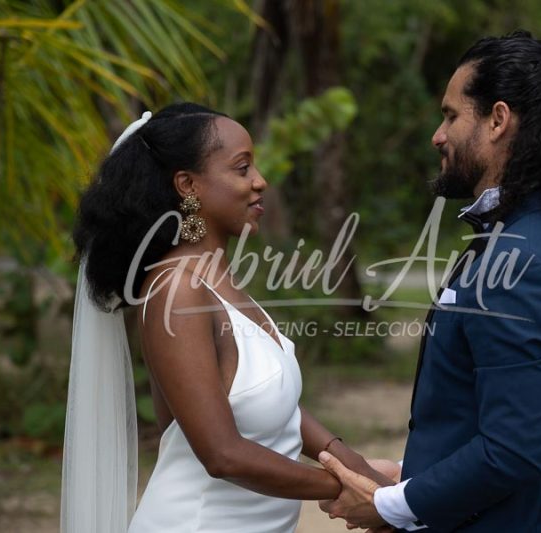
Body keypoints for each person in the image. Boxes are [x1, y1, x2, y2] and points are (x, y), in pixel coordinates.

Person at [61, 103, 398, 533]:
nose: (260, 181)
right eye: (242, 168)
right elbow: (221, 454)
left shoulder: (219, 280)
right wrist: (341, 487)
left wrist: (349, 461)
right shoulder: (174, 291)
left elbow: (276, 406)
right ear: (187, 185)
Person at [318, 30, 541, 532]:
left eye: (450, 115)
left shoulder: (519, 263)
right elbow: (494, 419)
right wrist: (411, 479)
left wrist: (388, 507)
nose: (437, 135)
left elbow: (512, 450)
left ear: (497, 120)